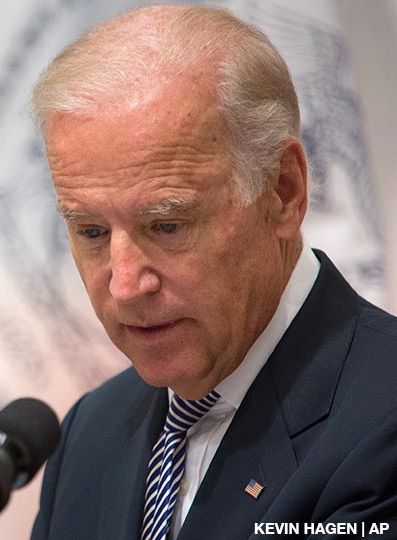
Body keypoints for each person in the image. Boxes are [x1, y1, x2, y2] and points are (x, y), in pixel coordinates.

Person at [29, 5, 397, 540]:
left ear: (283, 192)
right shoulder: (91, 429)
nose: (126, 284)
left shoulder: (384, 420)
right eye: (91, 232)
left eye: (167, 225)